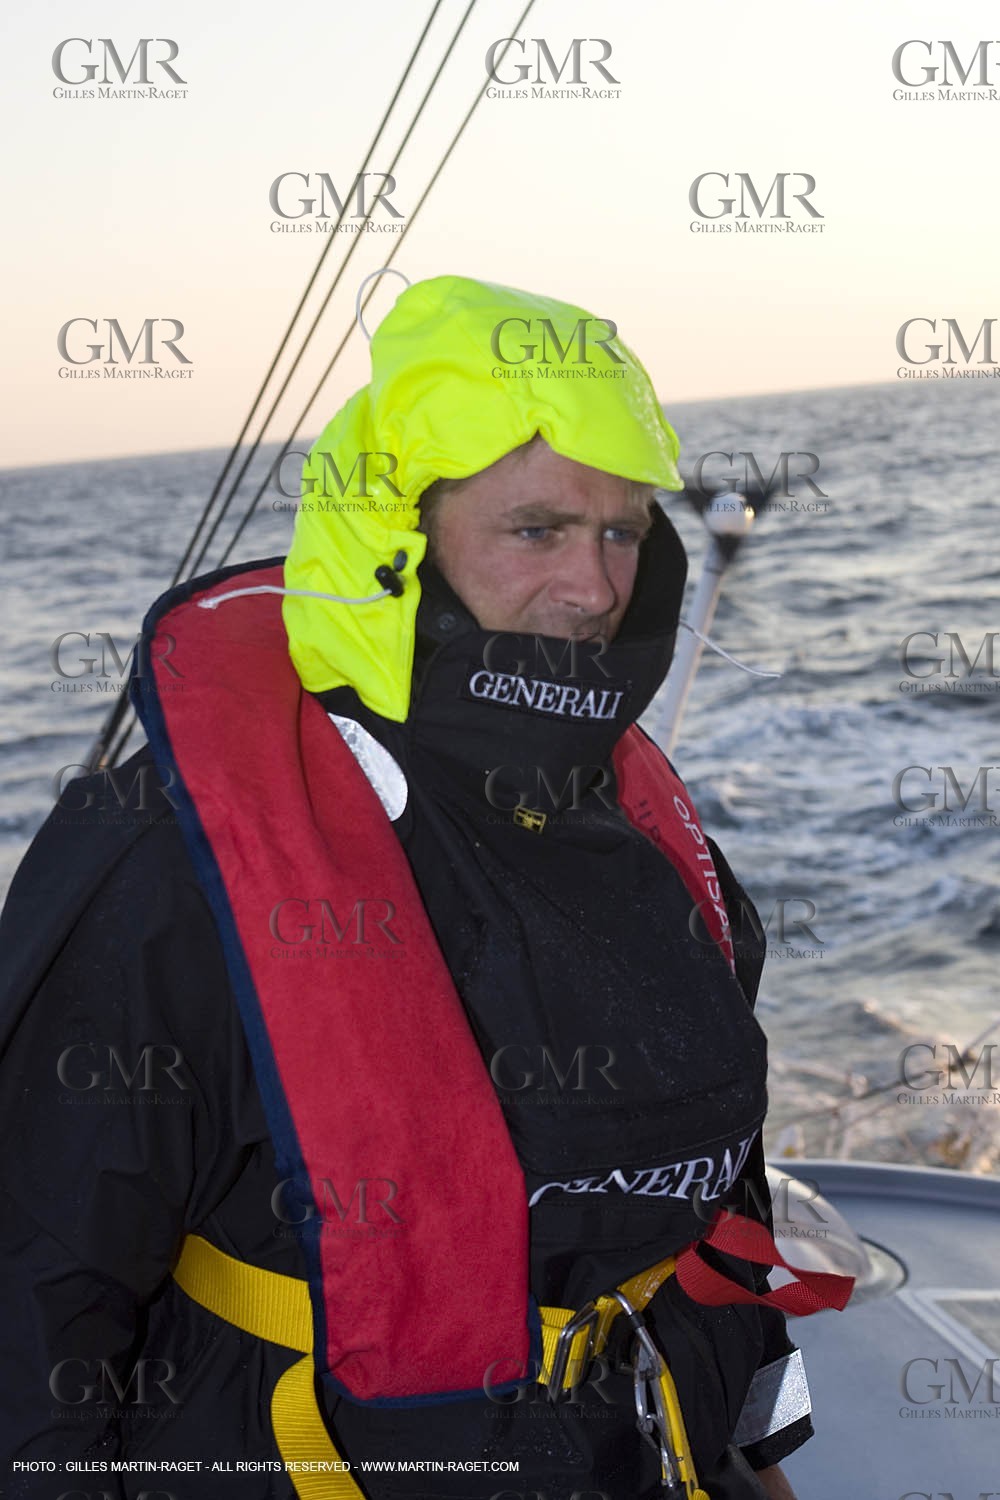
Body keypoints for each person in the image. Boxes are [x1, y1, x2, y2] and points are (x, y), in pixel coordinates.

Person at [0, 275, 849, 1500]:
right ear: (399, 536)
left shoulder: (636, 821)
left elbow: (719, 1203)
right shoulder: (179, 851)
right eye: (536, 530)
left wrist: (754, 1462)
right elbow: (34, 1301)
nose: (595, 588)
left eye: (622, 532)